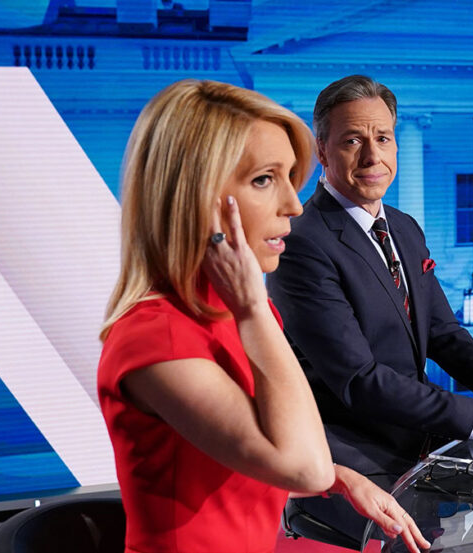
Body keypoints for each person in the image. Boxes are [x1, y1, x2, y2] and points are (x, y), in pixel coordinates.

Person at [97, 79, 429, 553]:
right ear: (195, 194)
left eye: (289, 178)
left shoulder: (233, 309)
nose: (294, 206)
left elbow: (243, 454)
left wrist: (341, 477)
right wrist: (254, 309)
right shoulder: (158, 338)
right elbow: (304, 465)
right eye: (263, 180)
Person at [267, 75, 473, 538]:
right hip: (356, 462)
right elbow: (359, 381)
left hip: (424, 443)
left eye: (382, 138)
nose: (372, 156)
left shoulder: (403, 227)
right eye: (352, 141)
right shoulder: (301, 245)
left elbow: (444, 334)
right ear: (322, 151)